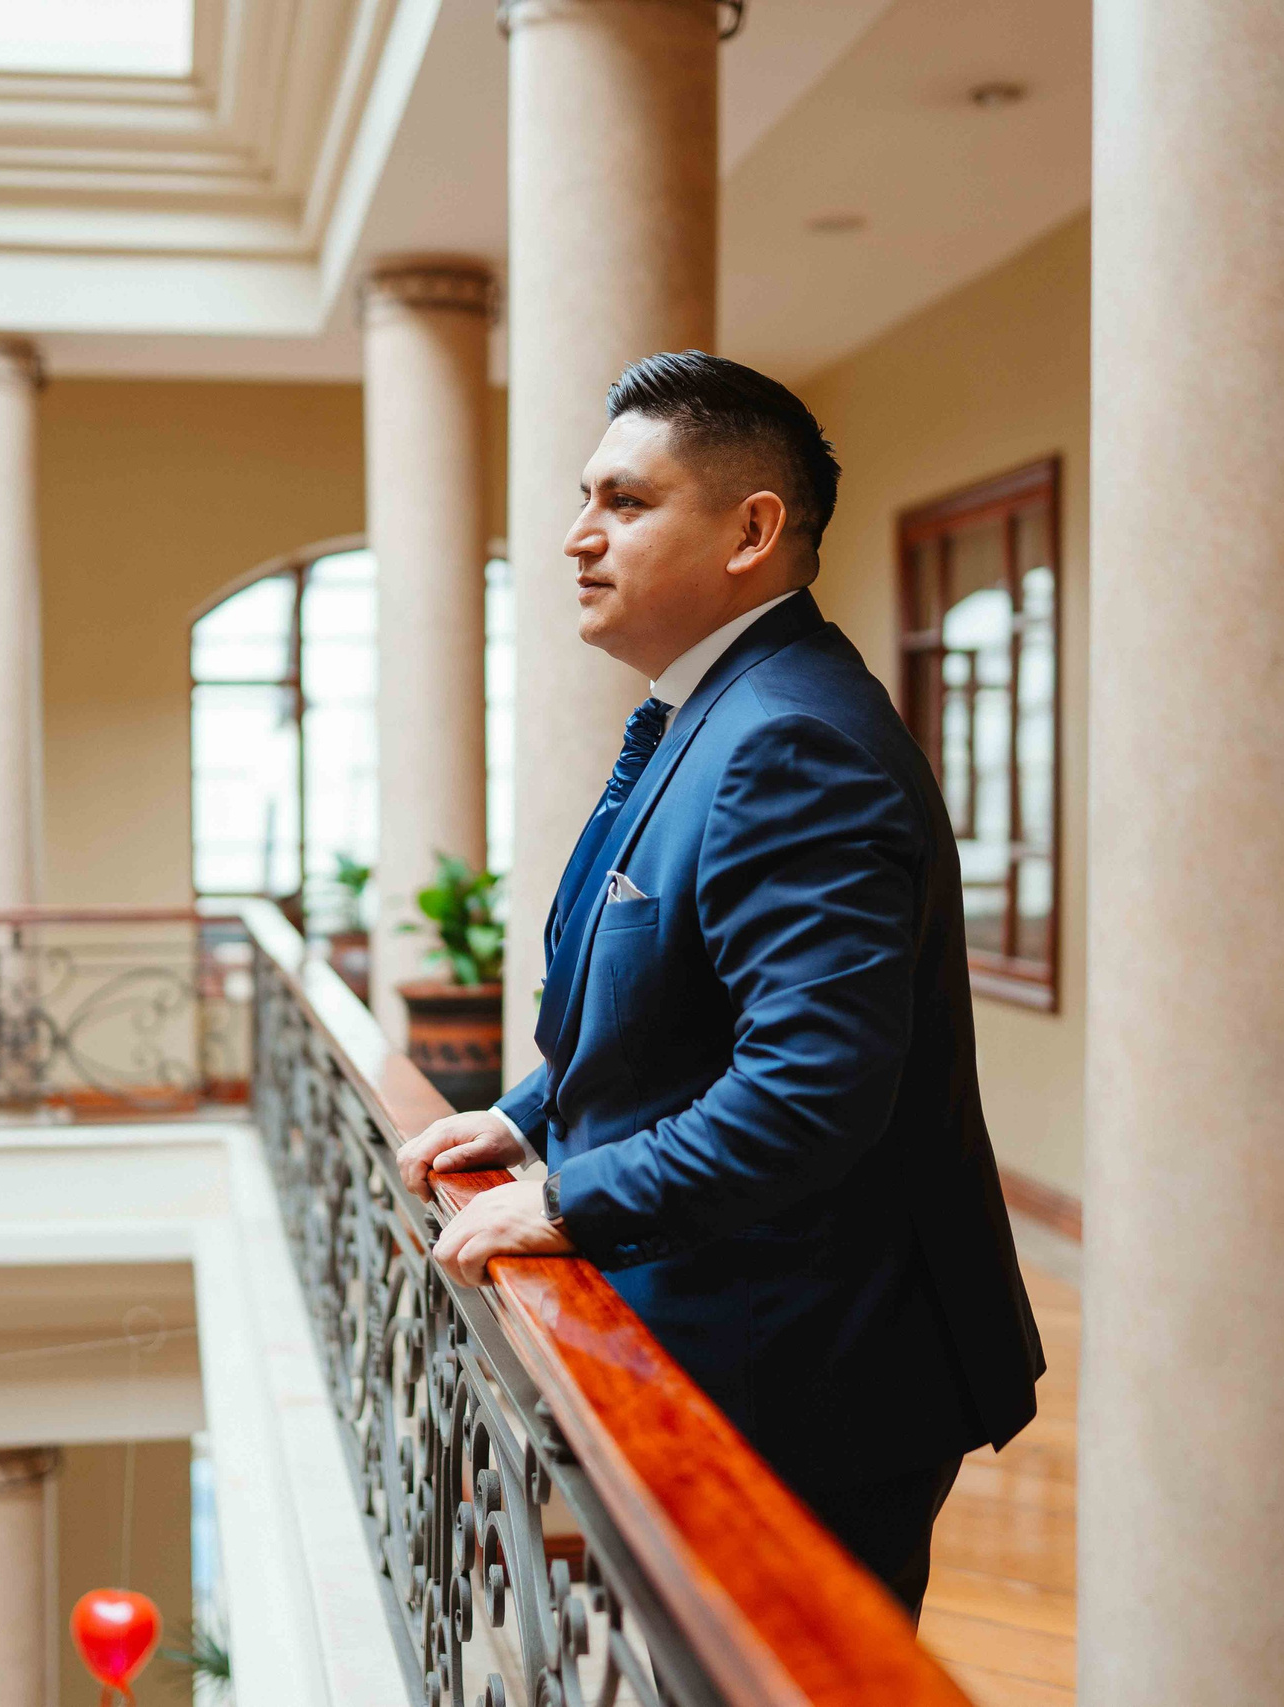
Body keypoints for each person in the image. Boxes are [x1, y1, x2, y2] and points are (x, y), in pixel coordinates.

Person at [395, 350, 1045, 1618]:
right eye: (583, 499)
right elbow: (674, 995)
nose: (576, 539)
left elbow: (805, 1092)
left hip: (810, 1372)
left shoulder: (791, 736)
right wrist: (533, 1113)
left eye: (624, 504)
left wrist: (567, 1200)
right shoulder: (718, 708)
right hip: (746, 1339)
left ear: (751, 531)